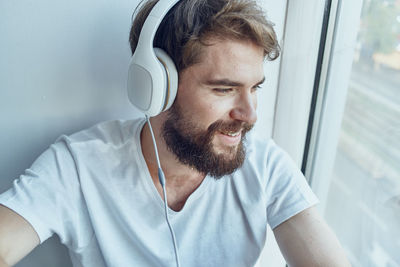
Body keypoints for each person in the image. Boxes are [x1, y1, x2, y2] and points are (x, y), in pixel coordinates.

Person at [0, 0, 351, 266]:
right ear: (156, 86)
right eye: (224, 89)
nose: (250, 114)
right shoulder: (78, 166)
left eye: (255, 87)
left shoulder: (266, 166)